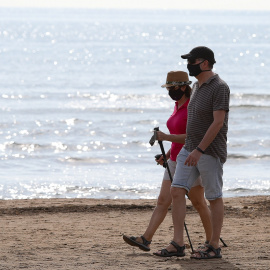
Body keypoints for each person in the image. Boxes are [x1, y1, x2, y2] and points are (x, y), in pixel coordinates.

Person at [123, 71, 212, 257]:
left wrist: (165, 137)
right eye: (168, 88)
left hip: (190, 159)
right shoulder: (177, 105)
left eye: (171, 88)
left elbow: (193, 137)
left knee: (198, 202)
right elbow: (178, 138)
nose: (169, 91)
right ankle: (146, 238)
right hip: (174, 159)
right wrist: (169, 154)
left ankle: (211, 241)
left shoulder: (191, 106)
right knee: (163, 200)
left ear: (182, 87)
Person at [154, 46, 230, 259]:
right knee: (176, 191)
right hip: (190, 149)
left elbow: (218, 122)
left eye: (192, 61)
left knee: (213, 197)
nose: (189, 66)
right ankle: (178, 243)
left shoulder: (220, 87)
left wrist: (199, 150)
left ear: (205, 63)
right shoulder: (196, 86)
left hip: (209, 151)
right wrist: (183, 150)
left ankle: (214, 246)